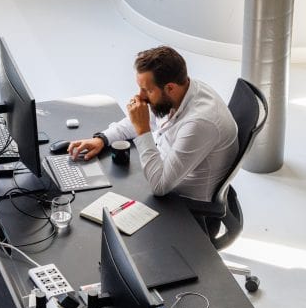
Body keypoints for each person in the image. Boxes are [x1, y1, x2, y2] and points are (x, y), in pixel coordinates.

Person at [67, 45, 238, 202]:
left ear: (170, 88)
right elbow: (145, 118)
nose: (140, 96)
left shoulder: (200, 123)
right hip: (162, 169)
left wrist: (142, 131)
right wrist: (102, 139)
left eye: (147, 90)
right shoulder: (181, 90)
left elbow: (159, 186)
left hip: (180, 204)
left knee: (94, 197)